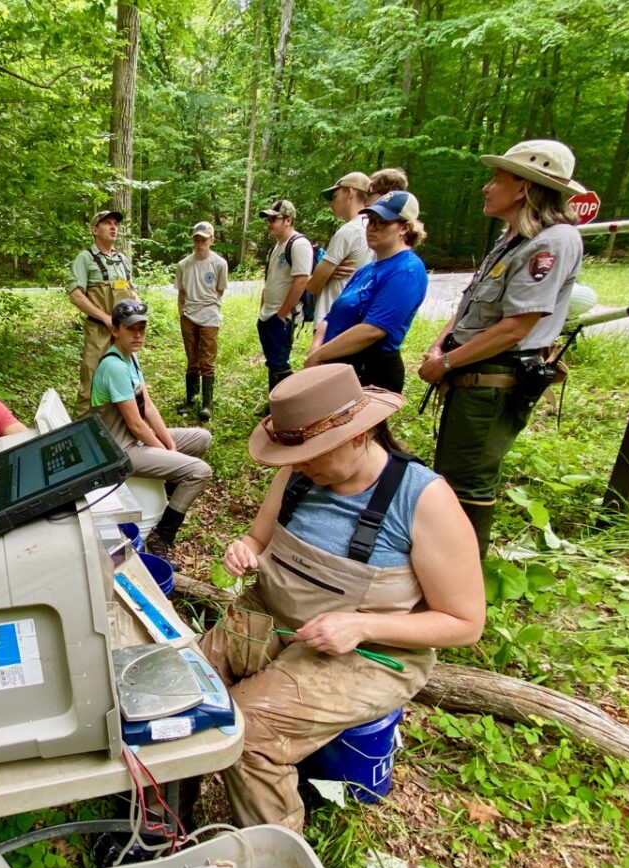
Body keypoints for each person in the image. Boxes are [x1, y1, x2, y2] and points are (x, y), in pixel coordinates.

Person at [199, 364, 484, 830]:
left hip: (370, 653)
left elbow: (465, 622)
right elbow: (257, 537)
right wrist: (244, 549)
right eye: (295, 453)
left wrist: (362, 625)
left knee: (249, 730)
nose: (301, 465)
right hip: (270, 614)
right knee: (183, 693)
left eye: (314, 452)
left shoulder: (424, 499)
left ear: (361, 434)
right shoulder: (296, 472)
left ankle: (273, 862)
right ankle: (163, 820)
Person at [417, 140, 585, 556]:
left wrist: (447, 362)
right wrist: (440, 346)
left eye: (498, 178)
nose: (486, 188)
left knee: (466, 484)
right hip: (469, 375)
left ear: (525, 188)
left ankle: (460, 583)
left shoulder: (551, 242)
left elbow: (516, 327)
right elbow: (473, 305)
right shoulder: (512, 238)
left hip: (493, 381)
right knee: (451, 474)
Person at [91, 299, 212, 558]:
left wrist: (168, 443)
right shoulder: (113, 366)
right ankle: (162, 536)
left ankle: (168, 499)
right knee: (199, 471)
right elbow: (136, 425)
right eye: (131, 329)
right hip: (118, 449)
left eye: (142, 329)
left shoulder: (130, 358)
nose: (138, 335)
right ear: (115, 330)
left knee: (202, 438)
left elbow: (148, 407)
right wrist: (168, 454)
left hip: (136, 441)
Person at [305, 191, 429, 392]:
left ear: (404, 228)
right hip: (337, 364)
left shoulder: (407, 270)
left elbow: (372, 330)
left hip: (370, 370)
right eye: (370, 221)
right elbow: (331, 316)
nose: (372, 228)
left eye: (381, 223)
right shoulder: (366, 270)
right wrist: (316, 349)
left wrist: (320, 355)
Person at [68, 210, 135, 418]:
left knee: (126, 378)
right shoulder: (85, 258)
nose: (113, 227)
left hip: (123, 332)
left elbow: (132, 291)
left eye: (115, 223)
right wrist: (105, 318)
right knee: (91, 381)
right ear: (95, 230)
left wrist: (138, 312)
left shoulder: (122, 259)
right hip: (99, 332)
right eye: (107, 223)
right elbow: (76, 295)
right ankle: (80, 431)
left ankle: (121, 427)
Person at [256, 199, 313, 411]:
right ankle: (274, 404)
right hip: (267, 313)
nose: (269, 223)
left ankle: (290, 405)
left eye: (274, 219)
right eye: (268, 219)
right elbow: (271, 280)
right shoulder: (277, 247)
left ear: (288, 220)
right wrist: (264, 309)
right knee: (273, 362)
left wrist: (281, 314)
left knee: (280, 363)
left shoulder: (298, 244)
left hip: (282, 317)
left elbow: (301, 280)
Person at [174, 221, 229, 422]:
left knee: (207, 361)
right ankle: (191, 401)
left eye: (204, 239)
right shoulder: (183, 265)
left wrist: (209, 306)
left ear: (211, 240)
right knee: (192, 360)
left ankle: (206, 405)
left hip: (210, 316)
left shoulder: (219, 264)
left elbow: (220, 290)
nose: (200, 243)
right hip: (188, 316)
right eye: (196, 239)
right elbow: (181, 292)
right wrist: (182, 313)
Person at [307, 171, 372, 325]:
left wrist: (322, 276)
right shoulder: (374, 227)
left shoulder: (349, 231)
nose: (331, 204)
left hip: (331, 318)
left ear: (349, 192)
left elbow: (313, 287)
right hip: (356, 318)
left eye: (335, 197)